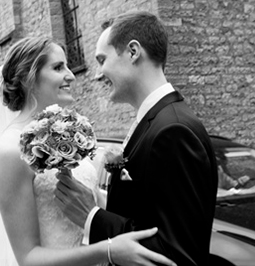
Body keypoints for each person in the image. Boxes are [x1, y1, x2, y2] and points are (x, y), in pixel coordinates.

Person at [0, 36, 176, 266]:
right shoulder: (11, 149)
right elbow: (28, 258)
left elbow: (85, 203)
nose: (71, 75)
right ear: (29, 78)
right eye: (58, 67)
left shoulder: (65, 132)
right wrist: (108, 251)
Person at [55, 11, 219, 266]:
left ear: (133, 52)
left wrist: (92, 217)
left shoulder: (172, 131)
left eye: (102, 59)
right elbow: (148, 213)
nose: (98, 73)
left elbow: (177, 254)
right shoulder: (157, 121)